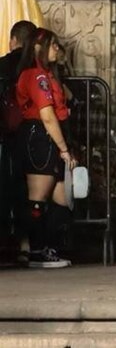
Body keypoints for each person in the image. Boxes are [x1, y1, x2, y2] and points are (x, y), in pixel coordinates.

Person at [13, 29, 73, 268]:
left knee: (62, 198)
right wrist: (64, 149)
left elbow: (65, 97)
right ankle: (36, 250)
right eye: (54, 45)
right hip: (40, 136)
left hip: (50, 136)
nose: (57, 49)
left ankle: (49, 246)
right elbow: (47, 115)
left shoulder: (47, 75)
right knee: (37, 198)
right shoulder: (35, 76)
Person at [1, 21, 37, 261]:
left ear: (13, 39)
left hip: (6, 133)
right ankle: (27, 243)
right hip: (34, 134)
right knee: (30, 189)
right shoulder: (38, 67)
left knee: (6, 185)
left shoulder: (3, 64)